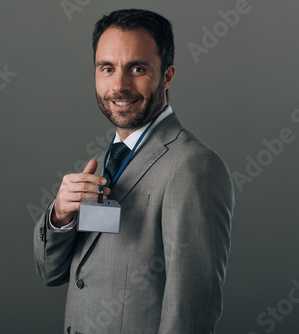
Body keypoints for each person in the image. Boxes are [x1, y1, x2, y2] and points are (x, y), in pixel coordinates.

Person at [34, 8, 235, 334]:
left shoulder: (194, 166)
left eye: (137, 68)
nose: (119, 85)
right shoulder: (102, 161)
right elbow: (50, 273)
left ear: (167, 75)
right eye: (107, 69)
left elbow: (191, 309)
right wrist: (60, 216)